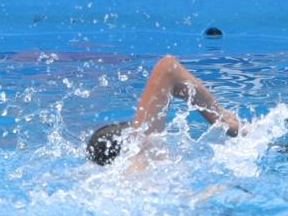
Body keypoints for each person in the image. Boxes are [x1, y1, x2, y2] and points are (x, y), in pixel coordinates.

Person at [86, 55, 241, 166]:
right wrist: (223, 118)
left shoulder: (122, 184)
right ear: (128, 146)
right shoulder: (142, 154)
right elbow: (168, 67)